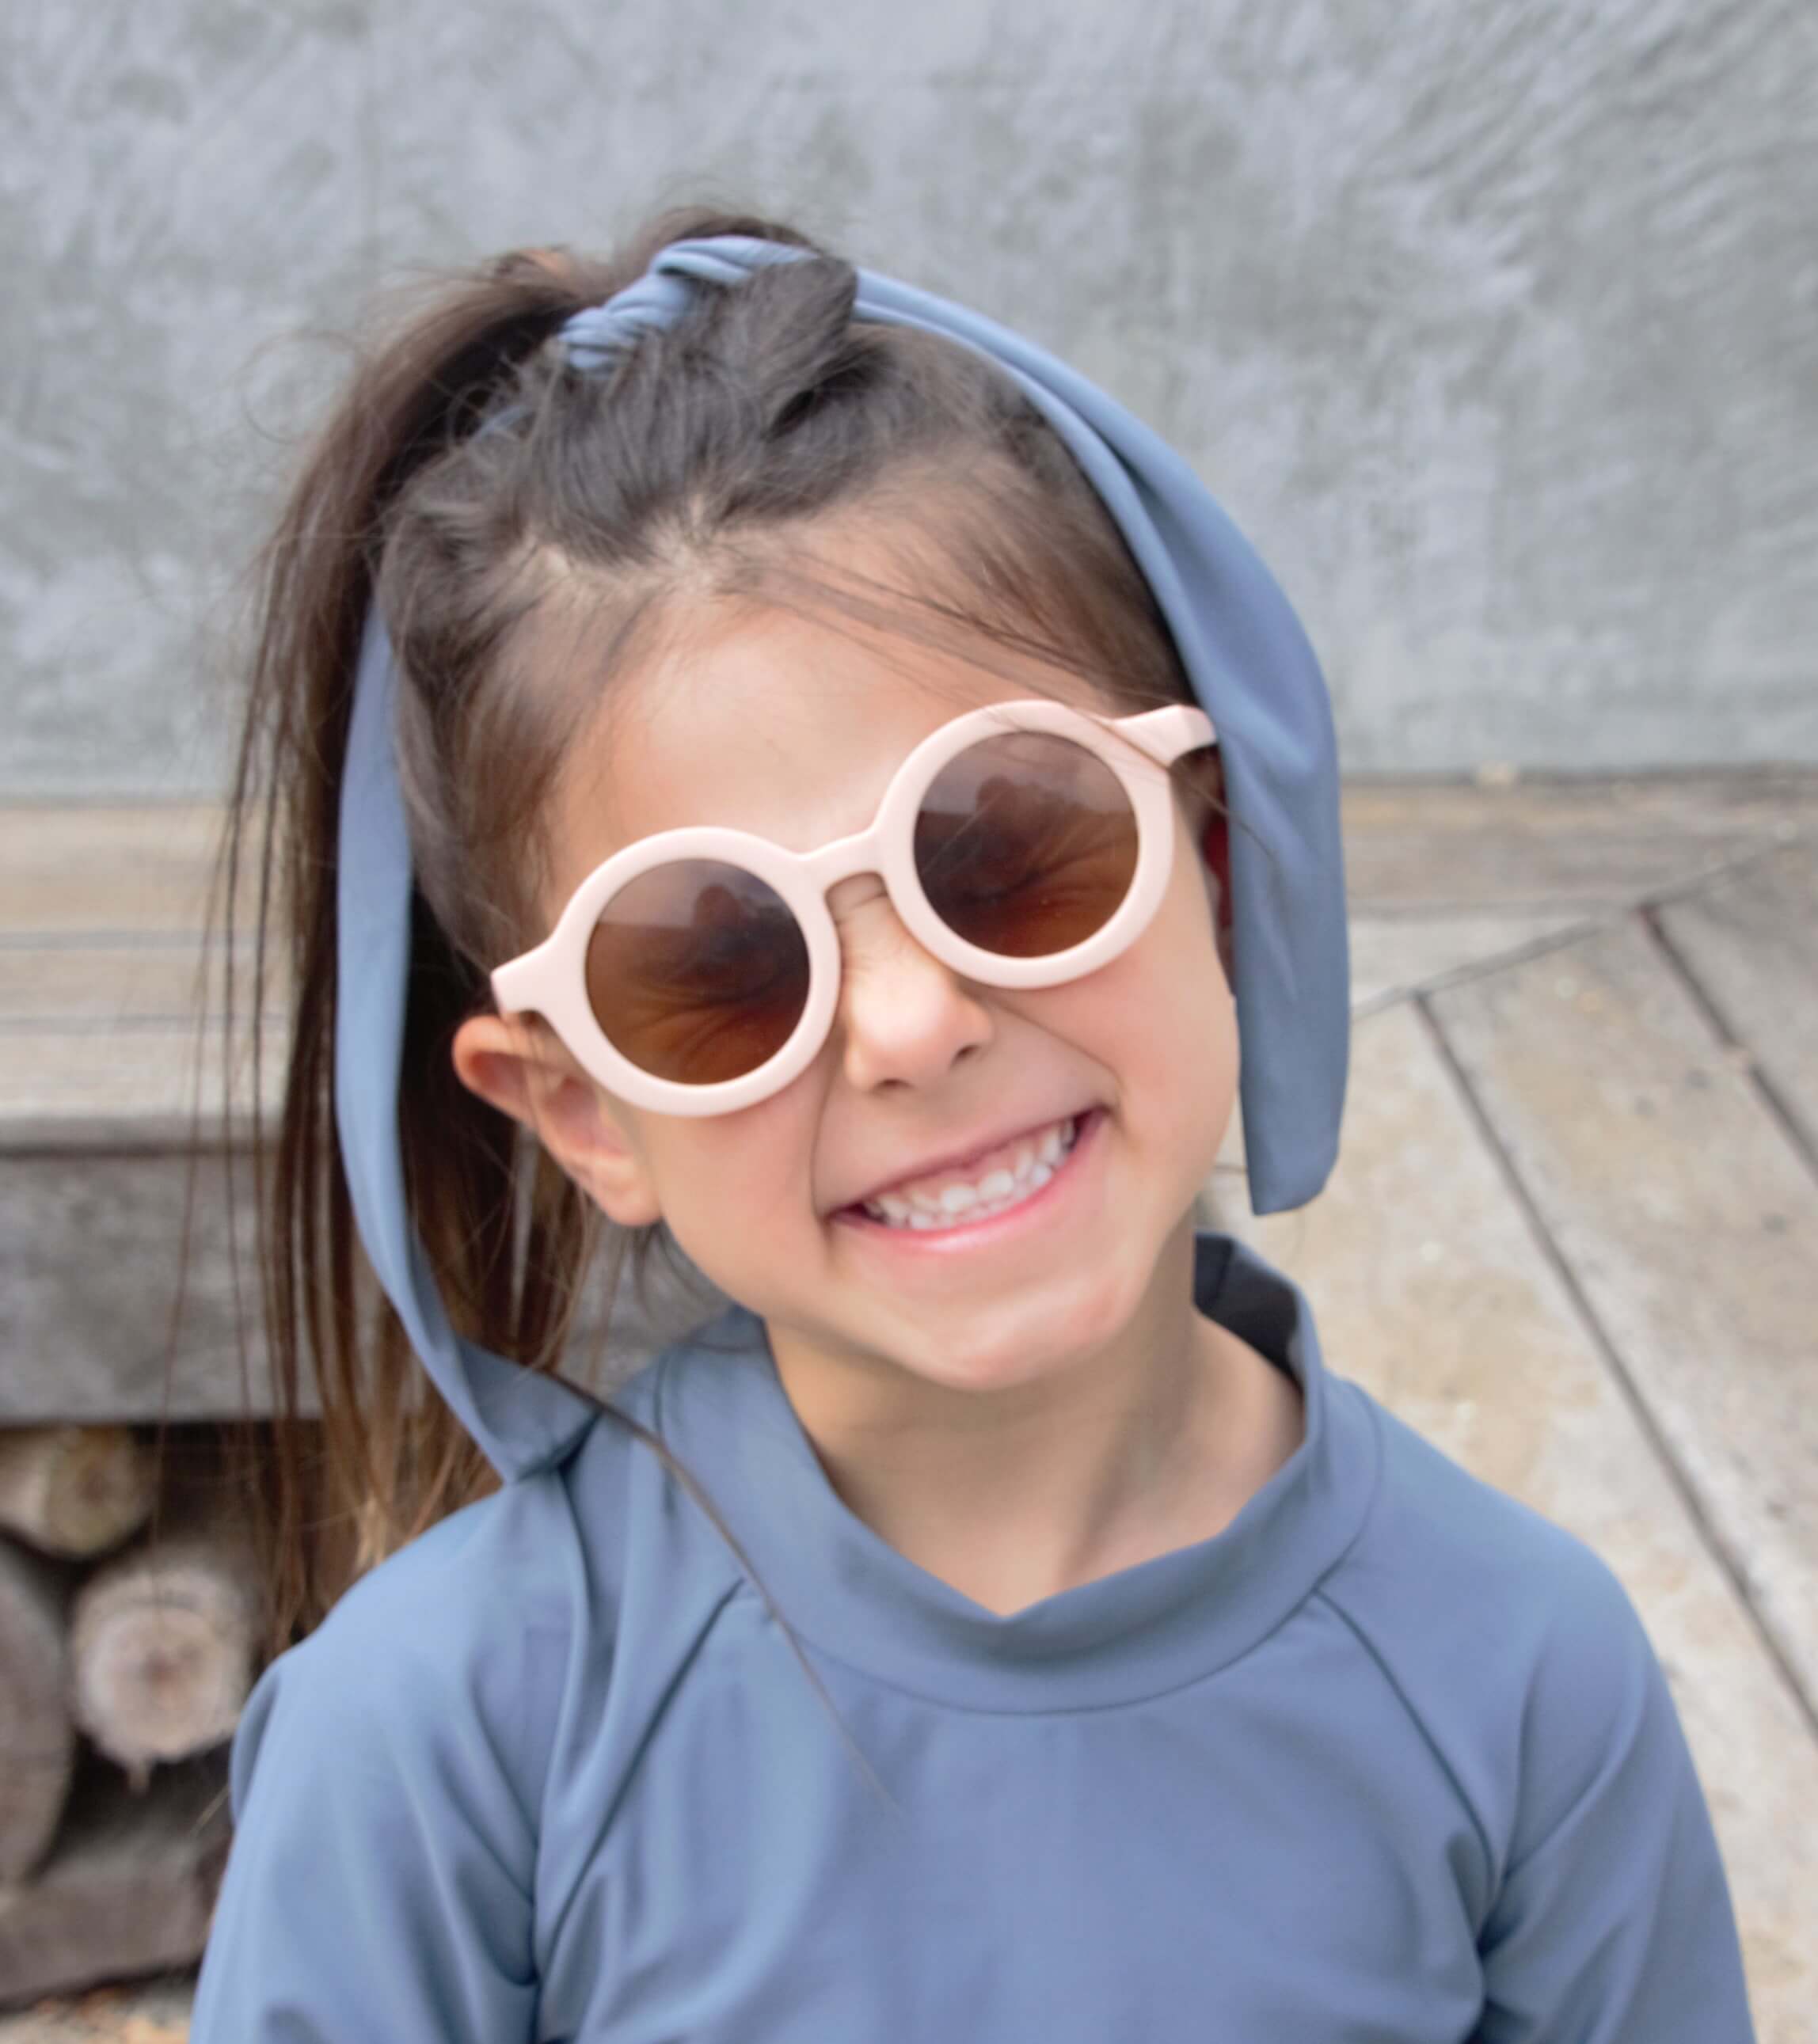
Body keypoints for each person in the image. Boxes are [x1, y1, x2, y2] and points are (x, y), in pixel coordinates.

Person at [188, 203, 1755, 2041]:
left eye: (1007, 847)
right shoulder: (445, 1736)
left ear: (1220, 867)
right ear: (579, 1108)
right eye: (717, 957)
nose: (914, 1025)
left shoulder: (1518, 1675)